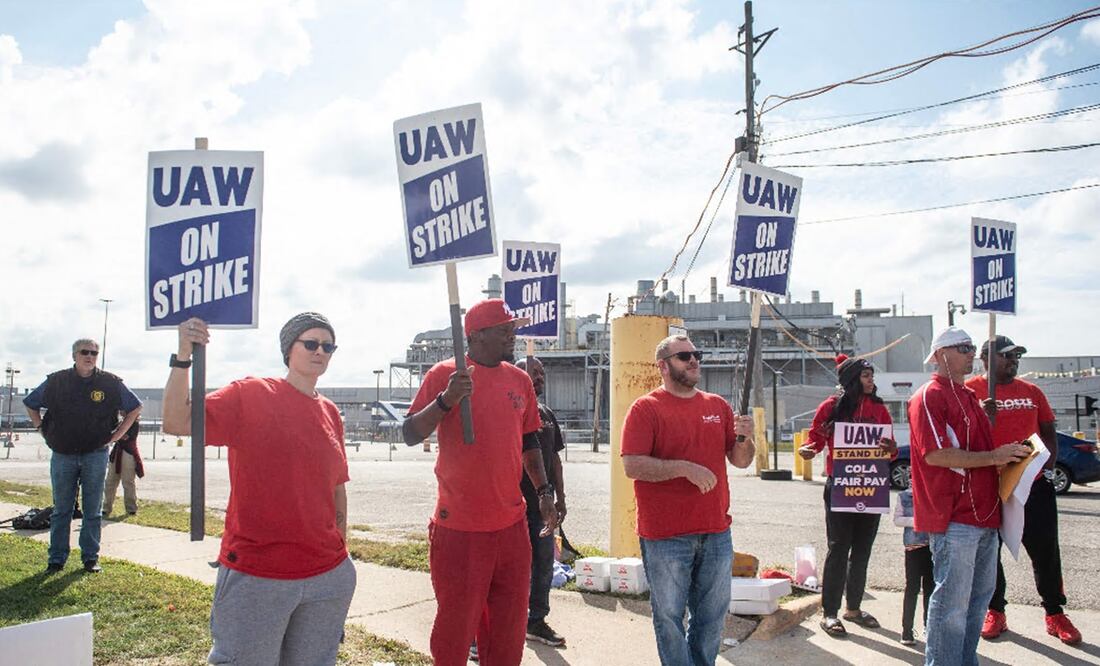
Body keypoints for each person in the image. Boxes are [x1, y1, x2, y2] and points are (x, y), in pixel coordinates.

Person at [164, 313, 356, 666]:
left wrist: (341, 554)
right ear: (289, 349)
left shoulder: (329, 412)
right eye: (310, 343)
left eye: (328, 346)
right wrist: (183, 356)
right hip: (259, 574)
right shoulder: (251, 394)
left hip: (326, 575)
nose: (320, 352)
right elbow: (177, 420)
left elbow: (336, 488)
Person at [402, 299, 559, 666]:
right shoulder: (447, 374)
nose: (513, 335)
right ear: (477, 335)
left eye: (513, 328)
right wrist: (447, 400)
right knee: (455, 634)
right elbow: (409, 432)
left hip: (511, 527)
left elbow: (529, 440)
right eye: (505, 329)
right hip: (460, 529)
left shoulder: (519, 379)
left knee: (508, 631)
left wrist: (543, 491)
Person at [621, 334, 755, 666]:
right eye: (684, 356)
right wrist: (683, 468)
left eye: (696, 354)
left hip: (716, 532)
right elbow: (632, 464)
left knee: (712, 618)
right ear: (663, 366)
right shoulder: (645, 408)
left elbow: (741, 460)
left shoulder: (717, 406)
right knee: (669, 617)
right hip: (666, 536)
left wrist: (747, 438)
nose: (694, 360)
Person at [908, 327, 1030, 666]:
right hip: (953, 516)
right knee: (952, 605)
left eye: (972, 347)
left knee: (978, 601)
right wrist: (995, 457)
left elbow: (979, 451)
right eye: (964, 348)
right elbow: (936, 455)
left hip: (985, 515)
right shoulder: (929, 395)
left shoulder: (970, 397)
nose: (971, 354)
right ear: (941, 353)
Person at [966, 335, 1082, 645]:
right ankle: (995, 611)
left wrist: (1044, 469)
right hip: (989, 484)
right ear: (986, 359)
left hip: (1032, 484)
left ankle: (1055, 613)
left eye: (1017, 355)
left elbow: (1048, 435)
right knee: (990, 552)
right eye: (1006, 356)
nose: (1014, 360)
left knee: (1045, 550)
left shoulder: (1032, 391)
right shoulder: (971, 392)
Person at [24, 337, 142, 574]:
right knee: (62, 510)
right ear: (74, 355)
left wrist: (117, 435)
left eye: (94, 353)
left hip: (95, 454)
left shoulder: (109, 383)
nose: (89, 357)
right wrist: (41, 429)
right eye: (84, 352)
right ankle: (56, 559)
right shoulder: (57, 381)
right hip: (63, 454)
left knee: (92, 509)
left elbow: (135, 407)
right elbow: (31, 403)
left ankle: (90, 557)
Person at [798, 355, 897, 637]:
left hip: (872, 485)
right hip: (841, 485)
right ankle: (830, 613)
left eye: (871, 376)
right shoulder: (830, 407)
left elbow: (889, 450)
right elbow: (815, 439)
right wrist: (808, 449)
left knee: (863, 550)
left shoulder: (879, 409)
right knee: (839, 548)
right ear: (852, 379)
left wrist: (890, 447)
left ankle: (853, 609)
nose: (871, 381)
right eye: (866, 376)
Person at [515, 356, 567, 648]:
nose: (540, 378)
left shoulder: (546, 413)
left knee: (544, 563)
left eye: (542, 373)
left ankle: (535, 621)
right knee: (506, 569)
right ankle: (480, 631)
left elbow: (555, 459)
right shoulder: (511, 411)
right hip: (512, 505)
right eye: (534, 372)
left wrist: (560, 498)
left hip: (542, 508)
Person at [893, 487, 932, 646]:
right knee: (912, 589)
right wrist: (918, 520)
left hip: (932, 546)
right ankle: (907, 630)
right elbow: (897, 520)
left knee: (931, 588)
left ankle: (928, 627)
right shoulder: (904, 496)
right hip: (913, 547)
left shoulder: (933, 492)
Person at [104, 420, 144, 516]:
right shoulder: (119, 422)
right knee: (110, 481)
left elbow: (125, 437)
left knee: (128, 482)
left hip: (128, 453)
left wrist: (115, 434)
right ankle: (106, 508)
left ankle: (131, 508)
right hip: (117, 452)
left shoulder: (134, 423)